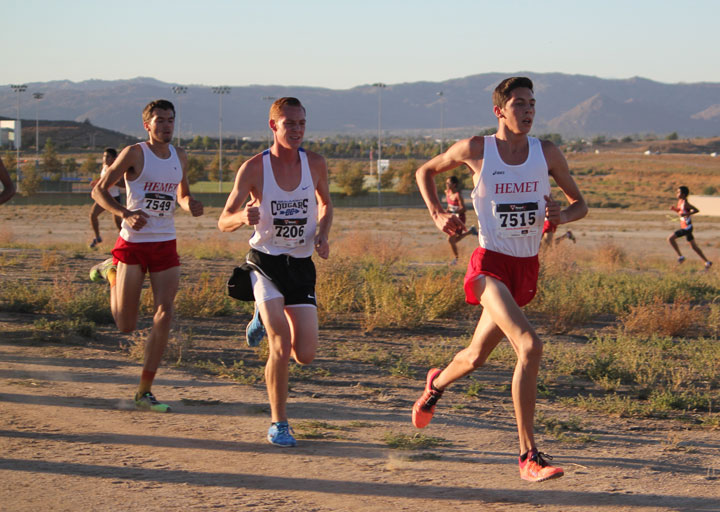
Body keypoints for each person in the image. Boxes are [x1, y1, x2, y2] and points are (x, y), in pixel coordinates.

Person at [412, 77, 587, 482]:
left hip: (525, 268)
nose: (528, 111)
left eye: (532, 104)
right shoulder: (477, 149)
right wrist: (438, 213)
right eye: (519, 104)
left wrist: (562, 216)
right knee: (530, 345)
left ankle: (435, 385)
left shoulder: (546, 152)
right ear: (500, 111)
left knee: (474, 357)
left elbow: (581, 205)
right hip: (488, 266)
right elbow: (425, 171)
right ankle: (528, 456)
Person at [218, 97, 333, 447]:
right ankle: (279, 423)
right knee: (279, 345)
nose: (296, 130)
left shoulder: (315, 163)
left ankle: (258, 316)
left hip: (300, 265)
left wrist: (323, 234)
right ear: (274, 126)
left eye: (301, 123)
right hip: (264, 263)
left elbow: (326, 204)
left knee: (306, 354)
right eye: (289, 123)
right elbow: (223, 219)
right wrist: (241, 217)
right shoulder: (254, 168)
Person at [89, 99, 204, 412]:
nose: (166, 125)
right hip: (134, 244)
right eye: (160, 120)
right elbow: (98, 190)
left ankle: (144, 391)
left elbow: (181, 195)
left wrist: (189, 204)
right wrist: (124, 212)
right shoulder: (135, 153)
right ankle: (110, 272)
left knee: (164, 314)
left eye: (170, 120)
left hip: (166, 242)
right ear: (147, 125)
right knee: (126, 325)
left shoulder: (180, 156)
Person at [668, 186, 711, 269]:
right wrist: (674, 209)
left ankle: (681, 257)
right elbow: (681, 211)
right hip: (685, 226)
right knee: (694, 247)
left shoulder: (686, 203)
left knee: (670, 239)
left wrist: (686, 214)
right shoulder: (680, 202)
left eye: (678, 192)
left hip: (687, 228)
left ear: (683, 194)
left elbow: (696, 210)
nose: (677, 194)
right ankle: (707, 262)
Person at [89, 148, 123, 248]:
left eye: (107, 156)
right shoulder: (104, 167)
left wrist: (112, 181)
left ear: (114, 158)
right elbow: (103, 177)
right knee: (92, 215)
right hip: (104, 197)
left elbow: (122, 184)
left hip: (114, 198)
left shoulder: (116, 169)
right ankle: (97, 237)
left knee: (118, 223)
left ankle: (126, 241)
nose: (105, 159)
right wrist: (97, 182)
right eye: (104, 156)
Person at [444, 175, 478, 264]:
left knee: (450, 240)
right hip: (452, 219)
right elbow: (449, 205)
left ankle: (456, 259)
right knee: (454, 240)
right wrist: (447, 212)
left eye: (448, 183)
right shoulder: (447, 193)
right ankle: (470, 231)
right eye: (446, 182)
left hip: (459, 219)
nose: (446, 184)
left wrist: (453, 211)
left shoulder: (458, 195)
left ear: (454, 184)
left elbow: (464, 209)